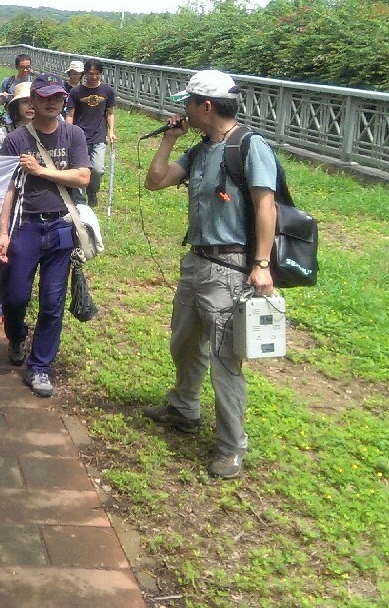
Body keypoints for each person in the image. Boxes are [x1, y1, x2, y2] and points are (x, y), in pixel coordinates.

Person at [141, 69, 277, 480]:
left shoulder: (250, 147)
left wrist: (262, 264)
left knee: (224, 359)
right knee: (184, 342)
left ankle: (232, 445)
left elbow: (265, 206)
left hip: (231, 267)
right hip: (197, 261)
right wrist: (168, 139)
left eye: (187, 103)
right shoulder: (200, 150)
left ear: (205, 106)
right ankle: (184, 407)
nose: (182, 110)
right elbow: (155, 182)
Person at [0, 74, 90, 399]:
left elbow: (82, 177)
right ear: (31, 102)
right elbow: (6, 189)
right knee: (16, 296)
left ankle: (39, 367)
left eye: (59, 97)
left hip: (61, 226)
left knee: (52, 302)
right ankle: (16, 335)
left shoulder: (73, 134)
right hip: (26, 226)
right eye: (45, 97)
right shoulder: (15, 140)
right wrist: (2, 232)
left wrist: (41, 171)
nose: (53, 102)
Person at [0, 80, 33, 326]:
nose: (30, 106)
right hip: (10, 199)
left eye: (33, 100)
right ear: (16, 105)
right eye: (25, 101)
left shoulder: (50, 130)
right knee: (4, 251)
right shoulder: (6, 133)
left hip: (37, 201)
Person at [69, 59, 118, 208]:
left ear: (101, 74)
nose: (94, 77)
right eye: (91, 73)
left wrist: (111, 131)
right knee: (79, 168)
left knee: (97, 169)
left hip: (98, 137)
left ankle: (92, 192)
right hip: (79, 137)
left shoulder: (107, 91)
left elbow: (110, 113)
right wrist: (68, 132)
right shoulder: (76, 92)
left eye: (97, 74)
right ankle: (79, 202)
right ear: (85, 73)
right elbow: (70, 114)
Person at [0, 53, 35, 124]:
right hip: (11, 119)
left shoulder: (34, 82)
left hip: (30, 119)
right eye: (22, 67)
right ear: (16, 67)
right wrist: (3, 98)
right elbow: (0, 103)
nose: (25, 70)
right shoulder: (7, 82)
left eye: (28, 67)